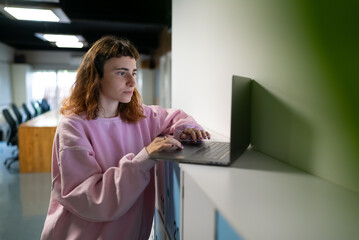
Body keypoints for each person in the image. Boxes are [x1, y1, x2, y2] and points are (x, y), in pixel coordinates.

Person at [40, 35, 210, 240]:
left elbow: (177, 117)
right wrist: (144, 158)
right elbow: (92, 199)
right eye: (122, 73)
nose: (132, 82)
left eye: (134, 73)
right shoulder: (73, 126)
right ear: (96, 77)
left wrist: (187, 129)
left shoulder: (140, 116)